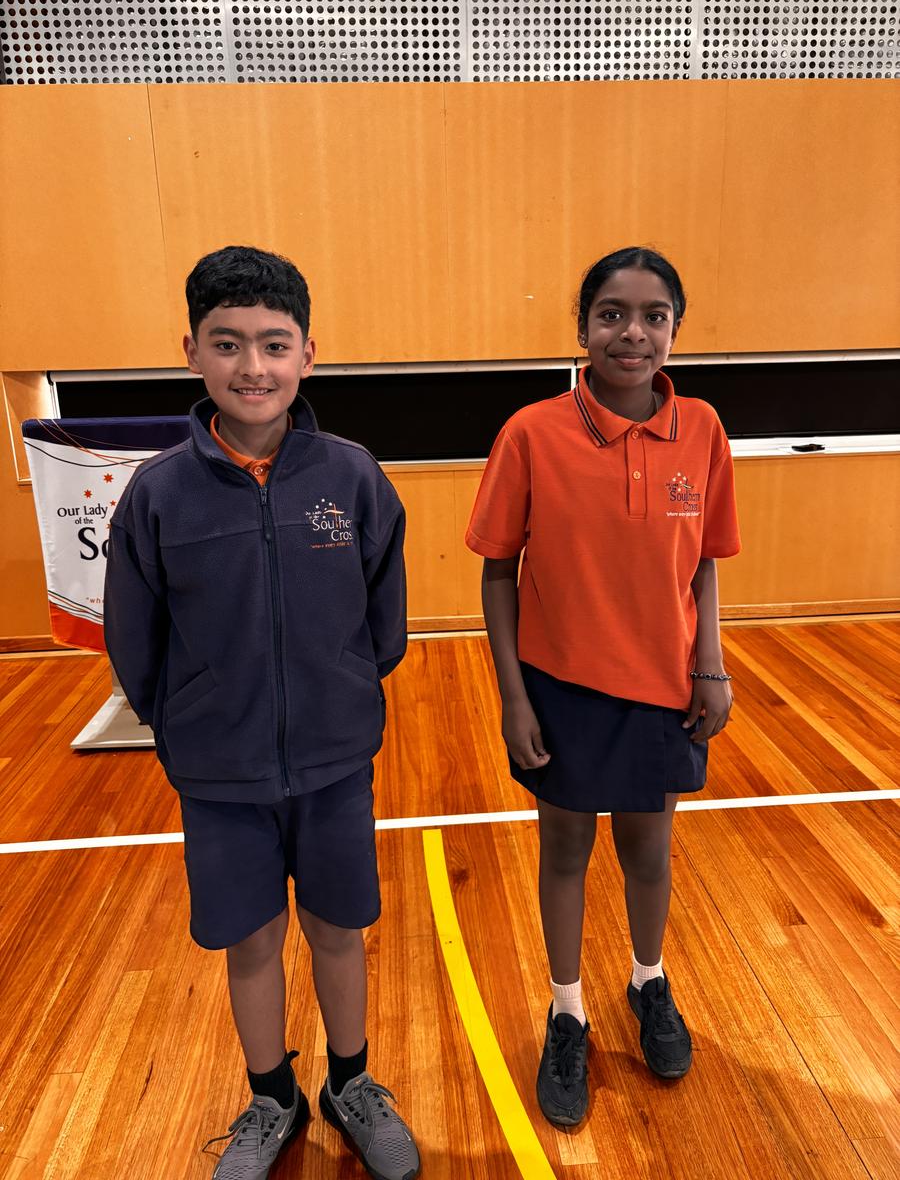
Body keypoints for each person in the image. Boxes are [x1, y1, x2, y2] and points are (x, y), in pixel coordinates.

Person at [104, 245, 420, 1180]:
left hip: (333, 761)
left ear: (308, 354)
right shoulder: (159, 494)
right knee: (250, 938)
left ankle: (352, 1084)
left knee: (338, 927)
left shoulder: (352, 478)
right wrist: (193, 718)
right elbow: (136, 640)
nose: (253, 366)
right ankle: (272, 1096)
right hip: (219, 772)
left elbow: (385, 619)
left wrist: (344, 690)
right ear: (191, 352)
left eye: (274, 345)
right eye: (228, 343)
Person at [465, 246, 741, 1127]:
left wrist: (710, 664)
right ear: (581, 326)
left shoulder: (702, 427)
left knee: (650, 852)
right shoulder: (531, 432)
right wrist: (514, 696)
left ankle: (648, 983)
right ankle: (567, 1011)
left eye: (654, 316)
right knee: (566, 852)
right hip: (562, 685)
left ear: (675, 329)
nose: (633, 333)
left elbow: (704, 561)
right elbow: (498, 571)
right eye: (612, 314)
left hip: (666, 684)